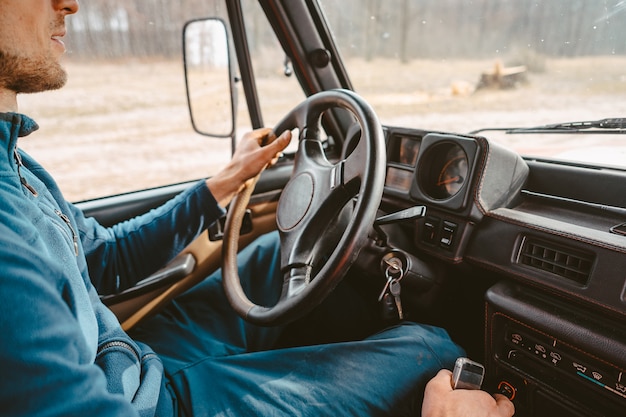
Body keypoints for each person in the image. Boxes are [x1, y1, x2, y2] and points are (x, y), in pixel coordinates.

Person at [0, 1, 514, 416]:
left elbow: (104, 259)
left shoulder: (17, 165)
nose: (69, 4)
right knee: (430, 348)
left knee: (273, 251)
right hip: (149, 403)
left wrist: (223, 182)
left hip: (127, 361)